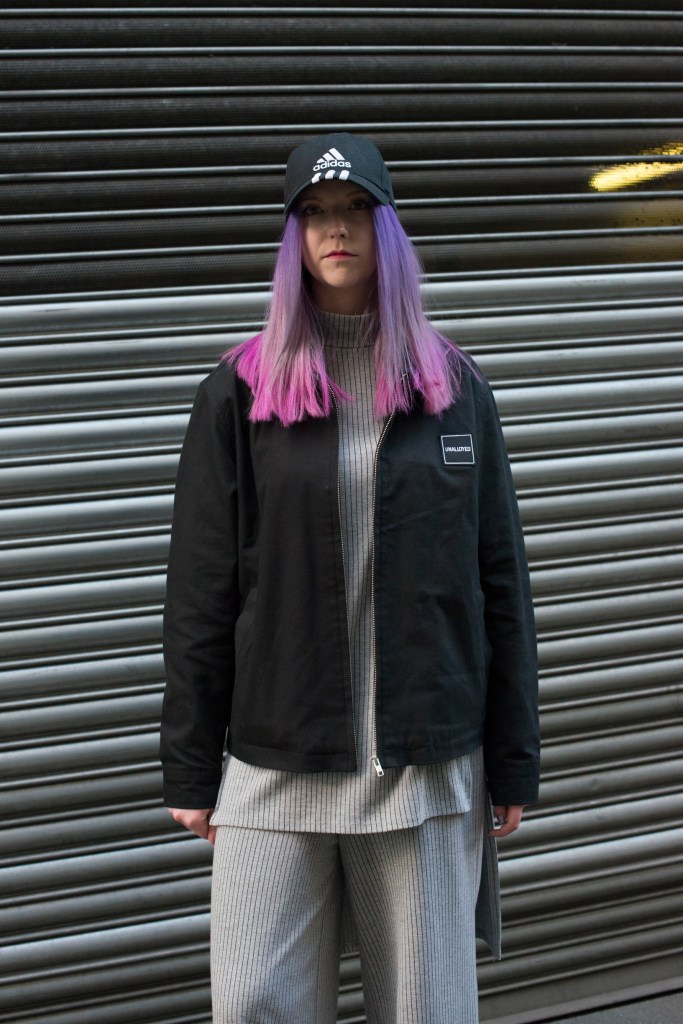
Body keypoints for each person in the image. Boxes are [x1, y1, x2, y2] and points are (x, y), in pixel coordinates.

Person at [160, 131, 540, 1024]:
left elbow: (500, 583)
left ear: (389, 231)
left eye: (358, 211)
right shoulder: (239, 393)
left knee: (426, 1009)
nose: (337, 230)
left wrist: (512, 757)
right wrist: (189, 764)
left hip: (425, 765)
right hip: (278, 755)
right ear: (292, 241)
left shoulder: (454, 388)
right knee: (254, 999)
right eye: (316, 215)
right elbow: (201, 589)